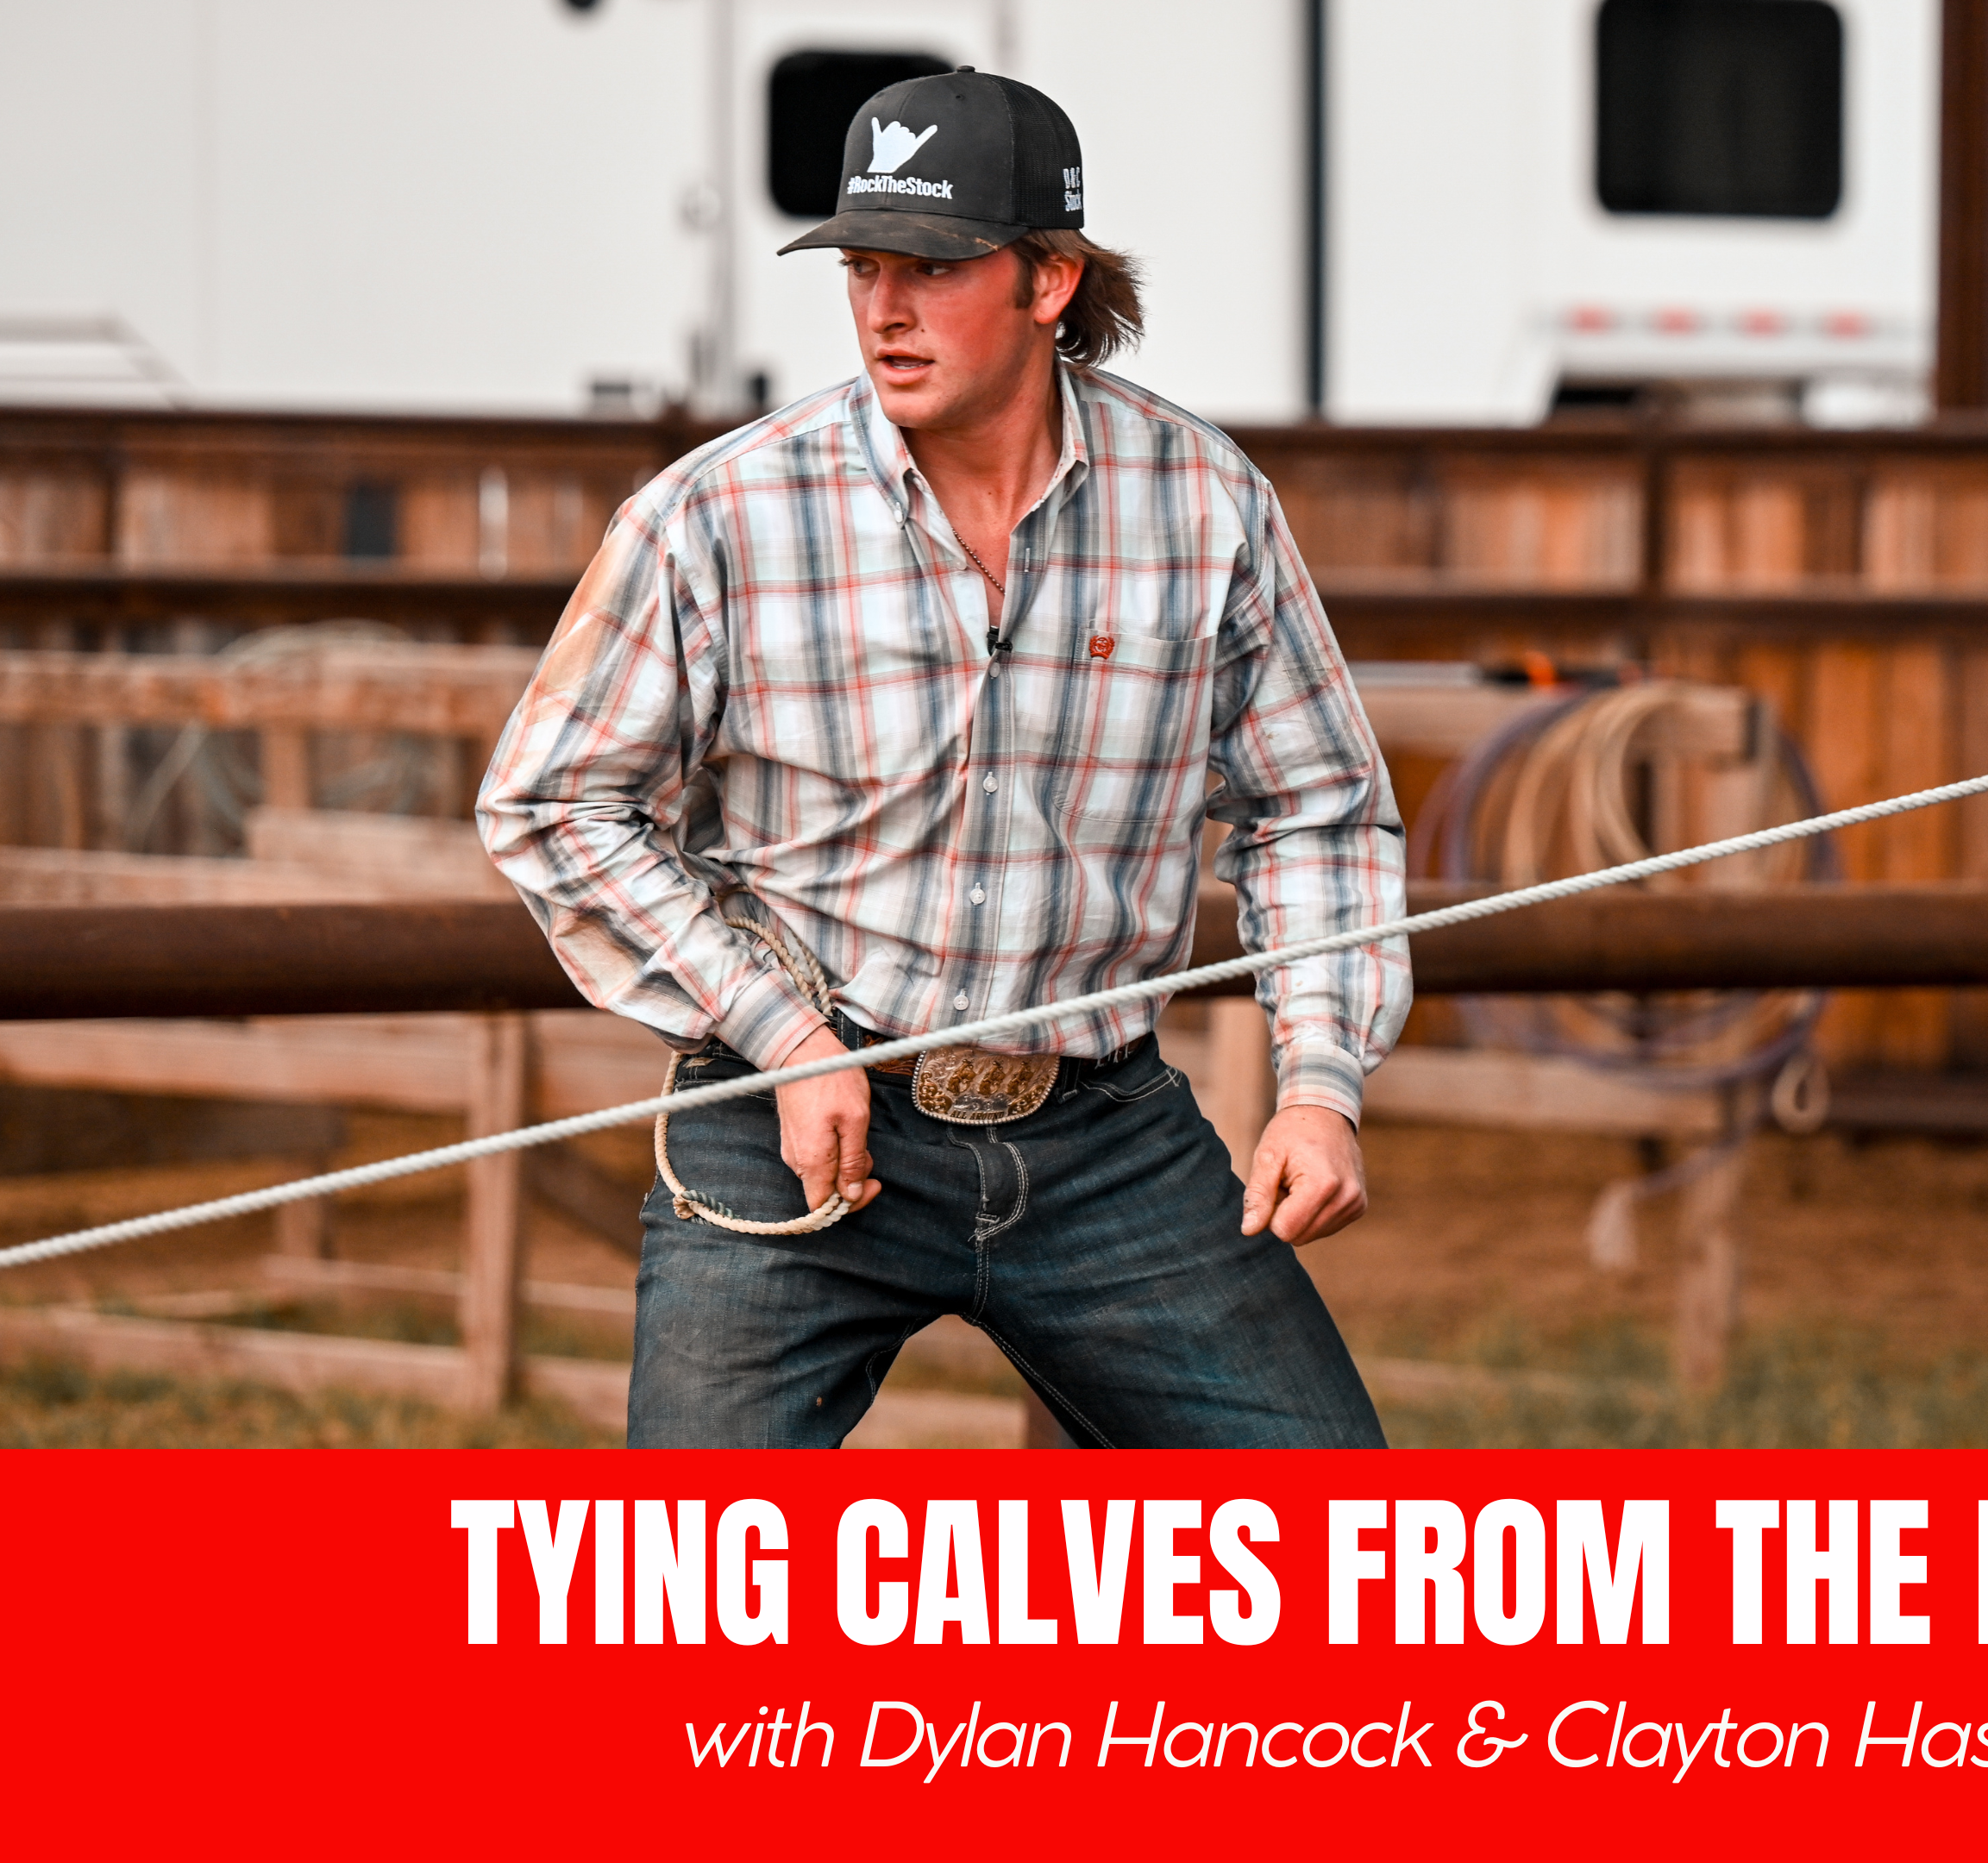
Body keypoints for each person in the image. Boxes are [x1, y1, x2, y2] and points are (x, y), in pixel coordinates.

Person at [477, 68, 1406, 1449]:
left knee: (1346, 1555)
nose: (882, 311)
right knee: (697, 1594)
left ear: (1050, 281)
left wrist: (1321, 1086)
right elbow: (552, 800)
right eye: (861, 266)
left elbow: (1317, 811)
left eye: (933, 267)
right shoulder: (715, 514)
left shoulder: (1206, 505)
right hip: (799, 1117)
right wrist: (781, 1038)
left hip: (1106, 1137)